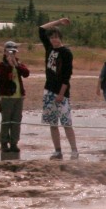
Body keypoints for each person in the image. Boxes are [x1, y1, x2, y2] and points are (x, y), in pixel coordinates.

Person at [39, 17, 78, 159]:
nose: (54, 40)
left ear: (60, 38)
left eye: (56, 37)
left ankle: (74, 150)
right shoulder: (49, 48)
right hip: (48, 89)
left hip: (62, 92)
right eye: (52, 37)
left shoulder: (66, 53)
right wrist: (58, 22)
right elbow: (41, 29)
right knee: (52, 123)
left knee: (66, 123)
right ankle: (58, 150)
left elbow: (67, 75)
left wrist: (61, 94)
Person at [0, 40, 29, 154]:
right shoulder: (2, 65)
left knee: (16, 121)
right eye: (9, 51)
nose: (12, 54)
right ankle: (4, 143)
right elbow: (3, 78)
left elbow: (26, 73)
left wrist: (16, 65)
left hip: (18, 97)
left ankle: (14, 143)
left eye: (14, 52)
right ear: (4, 52)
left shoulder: (18, 62)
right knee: (6, 121)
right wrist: (9, 65)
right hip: (7, 97)